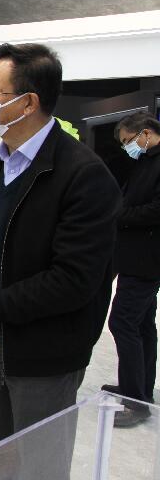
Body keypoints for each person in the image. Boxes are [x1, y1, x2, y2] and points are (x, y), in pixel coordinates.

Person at [0, 43, 120, 480]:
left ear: (27, 102)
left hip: (46, 356)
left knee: (40, 478)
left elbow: (74, 279)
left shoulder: (84, 175)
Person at [102, 112, 160, 427]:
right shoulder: (145, 162)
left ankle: (134, 402)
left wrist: (120, 216)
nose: (127, 148)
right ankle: (139, 391)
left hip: (146, 261)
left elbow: (155, 210)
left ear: (146, 133)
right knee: (142, 325)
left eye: (129, 141)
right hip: (136, 259)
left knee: (122, 321)